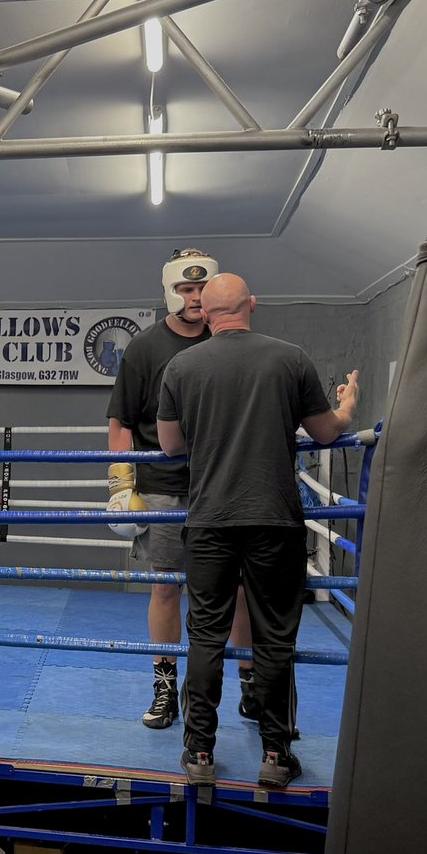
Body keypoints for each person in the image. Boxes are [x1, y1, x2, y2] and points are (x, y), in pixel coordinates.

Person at [157, 273, 358, 788]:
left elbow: (170, 445)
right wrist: (349, 405)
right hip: (273, 519)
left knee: (206, 636)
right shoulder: (290, 358)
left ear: (205, 312)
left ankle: (199, 753)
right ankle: (274, 753)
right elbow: (325, 432)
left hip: (209, 521)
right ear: (252, 305)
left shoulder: (181, 365)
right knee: (274, 638)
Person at [107, 249, 257, 730]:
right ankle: (165, 686)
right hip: (166, 488)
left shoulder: (233, 341)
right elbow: (121, 420)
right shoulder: (146, 348)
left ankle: (251, 685)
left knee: (236, 589)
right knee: (167, 587)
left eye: (201, 289)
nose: (195, 298)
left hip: (226, 484)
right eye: (186, 290)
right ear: (172, 293)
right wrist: (120, 482)